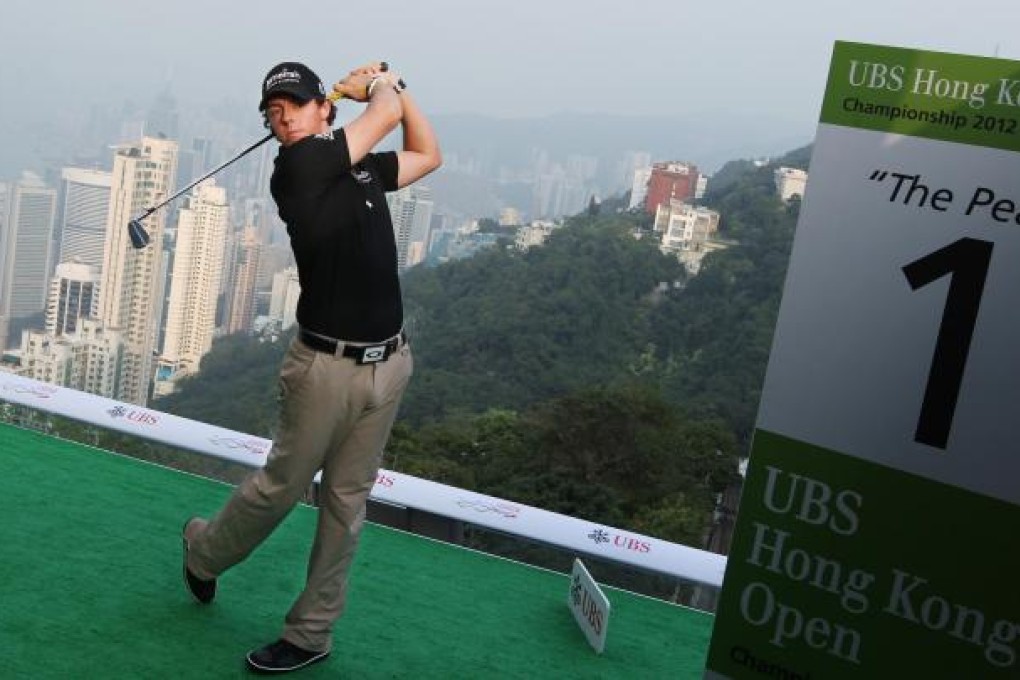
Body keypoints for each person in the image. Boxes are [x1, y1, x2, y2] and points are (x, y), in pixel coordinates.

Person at [181, 59, 441, 674]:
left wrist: (397, 92)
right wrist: (381, 90)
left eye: (294, 105)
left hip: (389, 364)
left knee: (348, 503)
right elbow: (381, 115)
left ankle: (311, 633)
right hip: (323, 368)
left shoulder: (358, 168)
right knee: (282, 488)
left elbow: (427, 154)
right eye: (273, 113)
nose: (283, 119)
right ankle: (202, 553)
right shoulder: (296, 169)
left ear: (324, 107)